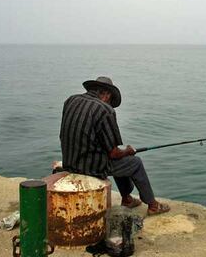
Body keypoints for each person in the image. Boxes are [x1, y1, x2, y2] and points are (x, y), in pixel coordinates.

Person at [56, 76, 170, 216]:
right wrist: (128, 151)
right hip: (89, 168)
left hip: (70, 162)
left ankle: (127, 199)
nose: (110, 104)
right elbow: (114, 153)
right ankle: (153, 205)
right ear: (107, 94)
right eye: (110, 101)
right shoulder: (104, 110)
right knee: (134, 162)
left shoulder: (71, 100)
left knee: (117, 160)